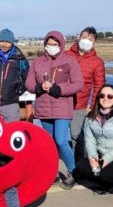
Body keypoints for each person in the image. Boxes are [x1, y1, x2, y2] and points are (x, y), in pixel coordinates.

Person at [25, 30, 84, 189]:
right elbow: (28, 84)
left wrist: (59, 89)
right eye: (49, 44)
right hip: (44, 108)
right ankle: (53, 173)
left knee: (60, 140)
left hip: (62, 107)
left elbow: (79, 83)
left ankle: (73, 172)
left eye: (55, 44)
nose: (51, 47)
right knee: (50, 144)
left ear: (61, 45)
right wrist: (39, 87)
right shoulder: (37, 62)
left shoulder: (69, 61)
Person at [73, 84, 113, 200]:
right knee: (81, 168)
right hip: (100, 156)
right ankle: (106, 184)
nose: (105, 98)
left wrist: (106, 159)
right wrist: (93, 158)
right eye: (102, 95)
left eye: (109, 96)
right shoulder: (91, 116)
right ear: (98, 98)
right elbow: (90, 139)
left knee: (103, 173)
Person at [65, 26, 106, 161]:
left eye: (90, 39)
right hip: (60, 104)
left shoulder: (97, 62)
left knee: (77, 138)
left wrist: (93, 106)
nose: (86, 40)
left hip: (80, 106)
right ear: (78, 38)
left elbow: (99, 86)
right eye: (84, 37)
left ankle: (78, 169)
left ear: (94, 42)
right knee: (57, 139)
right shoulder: (65, 55)